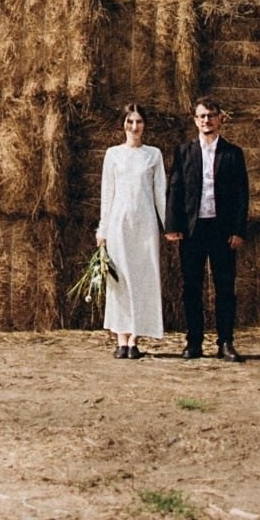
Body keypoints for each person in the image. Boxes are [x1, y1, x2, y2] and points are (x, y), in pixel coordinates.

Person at [165, 96, 249, 362]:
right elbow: (175, 189)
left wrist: (238, 230)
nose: (207, 120)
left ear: (220, 119)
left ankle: (225, 342)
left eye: (211, 115)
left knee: (225, 288)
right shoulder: (184, 151)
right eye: (202, 116)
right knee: (191, 287)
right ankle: (194, 343)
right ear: (195, 120)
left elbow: (242, 194)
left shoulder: (233, 153)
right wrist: (173, 225)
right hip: (193, 230)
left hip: (222, 230)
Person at [96, 102, 167, 359]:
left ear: (144, 125)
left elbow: (160, 194)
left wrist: (168, 226)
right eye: (130, 121)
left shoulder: (153, 155)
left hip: (145, 226)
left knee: (143, 279)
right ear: (123, 124)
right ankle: (121, 338)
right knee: (120, 281)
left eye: (138, 122)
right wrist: (102, 229)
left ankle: (135, 338)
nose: (134, 127)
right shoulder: (113, 154)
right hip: (119, 225)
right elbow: (107, 194)